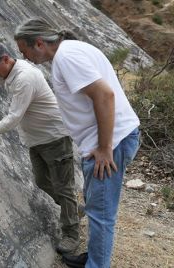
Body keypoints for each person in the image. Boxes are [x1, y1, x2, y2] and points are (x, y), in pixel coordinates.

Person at [14, 19, 140, 268]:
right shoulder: (73, 49)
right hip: (110, 139)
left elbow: (104, 95)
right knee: (96, 207)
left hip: (110, 143)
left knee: (101, 215)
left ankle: (97, 264)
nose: (23, 56)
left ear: (39, 43)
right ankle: (94, 258)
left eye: (24, 50)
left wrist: (105, 148)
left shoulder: (66, 57)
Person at [0, 42, 80, 254]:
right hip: (36, 139)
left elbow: (12, 119)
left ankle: (71, 234)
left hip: (55, 137)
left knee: (63, 187)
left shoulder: (25, 77)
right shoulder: (5, 72)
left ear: (5, 59)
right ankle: (73, 210)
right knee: (41, 181)